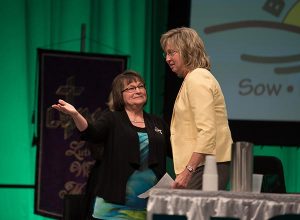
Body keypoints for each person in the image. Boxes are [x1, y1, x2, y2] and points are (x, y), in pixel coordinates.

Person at [52, 70, 172, 220]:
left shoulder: (157, 122)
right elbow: (92, 133)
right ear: (119, 94)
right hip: (115, 209)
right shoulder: (112, 119)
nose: (138, 90)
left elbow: (175, 152)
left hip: (150, 208)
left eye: (140, 86)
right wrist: (75, 115)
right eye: (131, 88)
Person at [160, 27, 232, 190]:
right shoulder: (194, 78)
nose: (168, 59)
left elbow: (206, 130)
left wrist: (189, 170)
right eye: (166, 54)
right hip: (203, 166)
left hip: (205, 167)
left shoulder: (197, 79)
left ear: (187, 50)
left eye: (172, 52)